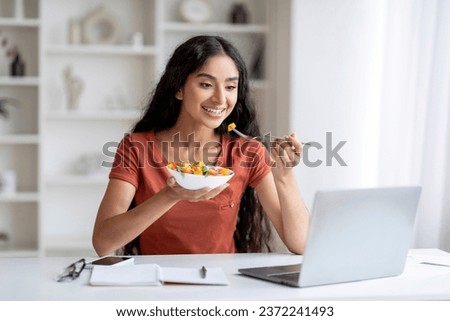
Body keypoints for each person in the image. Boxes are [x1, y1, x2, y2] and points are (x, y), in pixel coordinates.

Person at [92, 35, 309, 256]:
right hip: (156, 282)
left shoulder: (247, 152)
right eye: (206, 85)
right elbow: (103, 243)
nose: (220, 99)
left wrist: (284, 176)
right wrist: (169, 195)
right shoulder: (135, 148)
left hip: (222, 283)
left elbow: (301, 244)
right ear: (179, 88)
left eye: (230, 87)